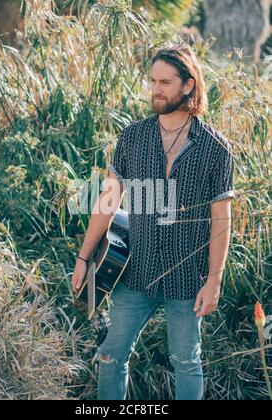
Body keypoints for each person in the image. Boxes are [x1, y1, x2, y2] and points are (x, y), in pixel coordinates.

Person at [72, 43, 235, 400]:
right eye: (152, 81)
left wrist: (214, 280)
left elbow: (222, 218)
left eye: (165, 82)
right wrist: (84, 258)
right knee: (110, 356)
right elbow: (108, 200)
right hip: (135, 273)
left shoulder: (216, 149)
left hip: (188, 278)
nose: (156, 89)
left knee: (187, 362)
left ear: (188, 85)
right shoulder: (133, 136)